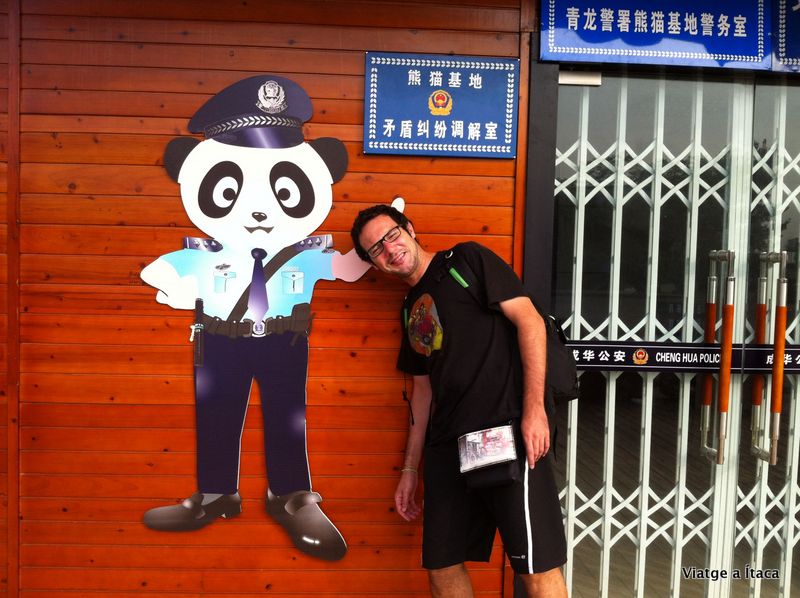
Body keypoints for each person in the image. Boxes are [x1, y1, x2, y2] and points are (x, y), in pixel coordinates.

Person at [350, 203, 568, 598]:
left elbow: (530, 321)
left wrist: (535, 411)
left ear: (409, 228)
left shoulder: (466, 260)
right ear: (373, 263)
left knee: (536, 569)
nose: (389, 249)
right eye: (375, 249)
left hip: (507, 430)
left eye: (391, 235)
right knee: (441, 566)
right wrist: (410, 469)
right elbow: (422, 393)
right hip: (450, 446)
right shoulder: (410, 308)